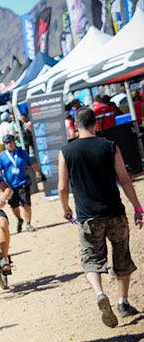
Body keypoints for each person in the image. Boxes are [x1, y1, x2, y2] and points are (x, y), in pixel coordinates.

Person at [58, 107, 142, 327]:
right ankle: (123, 303)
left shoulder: (66, 151)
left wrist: (66, 208)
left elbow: (62, 187)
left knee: (91, 259)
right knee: (122, 255)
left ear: (76, 125)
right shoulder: (109, 146)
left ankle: (99, 294)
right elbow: (124, 179)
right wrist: (138, 207)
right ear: (95, 124)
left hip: (88, 216)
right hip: (115, 212)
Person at [0, 134, 41, 233]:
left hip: (23, 183)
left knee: (26, 204)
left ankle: (28, 224)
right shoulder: (2, 157)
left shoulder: (22, 153)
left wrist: (39, 173)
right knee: (14, 206)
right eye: (7, 143)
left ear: (14, 142)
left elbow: (32, 163)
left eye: (11, 142)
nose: (9, 145)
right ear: (4, 145)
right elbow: (0, 171)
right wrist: (2, 185)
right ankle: (19, 219)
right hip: (10, 186)